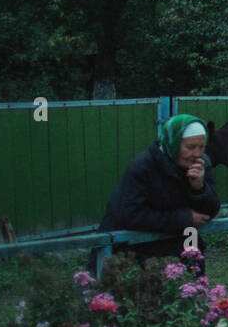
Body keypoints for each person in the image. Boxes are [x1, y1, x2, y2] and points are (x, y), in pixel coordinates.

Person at [94, 114, 220, 275]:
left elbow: (211, 210)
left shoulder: (202, 164)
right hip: (137, 250)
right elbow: (130, 215)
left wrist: (199, 188)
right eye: (190, 147)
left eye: (201, 147)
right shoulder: (144, 167)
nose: (197, 153)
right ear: (173, 144)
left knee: (191, 295)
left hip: (185, 245)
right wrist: (184, 219)